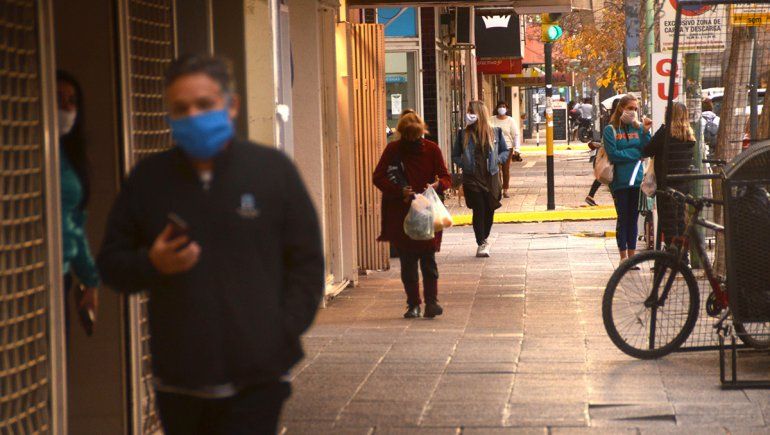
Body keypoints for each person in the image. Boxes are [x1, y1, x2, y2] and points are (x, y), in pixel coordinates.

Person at [97, 54, 324, 434]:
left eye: (204, 105)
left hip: (258, 379)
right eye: (181, 109)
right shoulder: (149, 181)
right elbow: (111, 264)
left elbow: (306, 263)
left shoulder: (271, 171)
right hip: (180, 381)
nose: (194, 116)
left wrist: (280, 332)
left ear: (230, 106)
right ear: (168, 115)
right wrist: (151, 264)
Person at [373, 112, 451, 319]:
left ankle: (430, 303)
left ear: (421, 132)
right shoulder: (393, 150)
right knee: (409, 261)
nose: (412, 140)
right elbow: (378, 176)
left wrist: (436, 185)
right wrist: (399, 191)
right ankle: (414, 304)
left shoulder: (432, 149)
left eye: (415, 135)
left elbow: (446, 177)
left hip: (426, 213)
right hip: (402, 213)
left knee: (427, 259)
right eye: (408, 136)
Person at [57, 71, 100, 336]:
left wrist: (89, 279)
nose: (67, 107)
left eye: (72, 100)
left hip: (59, 275)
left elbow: (74, 224)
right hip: (23, 272)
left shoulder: (68, 154)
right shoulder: (26, 152)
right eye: (58, 98)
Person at [452, 100, 509, 258]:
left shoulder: (495, 132)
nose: (469, 114)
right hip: (472, 178)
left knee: (489, 210)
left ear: (480, 114)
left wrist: (498, 159)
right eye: (468, 111)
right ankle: (481, 243)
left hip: (491, 177)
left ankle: (484, 237)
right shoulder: (463, 134)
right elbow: (455, 155)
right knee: (479, 209)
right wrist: (464, 163)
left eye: (472, 111)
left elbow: (505, 151)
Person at [603, 94, 652, 264]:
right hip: (620, 182)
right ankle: (623, 256)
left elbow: (646, 150)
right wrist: (635, 153)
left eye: (635, 109)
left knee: (634, 218)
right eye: (630, 108)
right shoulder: (611, 130)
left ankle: (632, 257)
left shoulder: (638, 128)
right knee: (623, 217)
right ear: (621, 108)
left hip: (637, 180)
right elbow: (614, 155)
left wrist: (645, 132)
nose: (633, 112)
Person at [643, 102, 695, 248]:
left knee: (668, 222)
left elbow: (647, 150)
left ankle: (671, 254)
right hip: (683, 185)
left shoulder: (665, 133)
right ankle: (683, 256)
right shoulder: (689, 136)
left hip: (666, 185)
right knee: (680, 220)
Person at [586, 99, 621, 207]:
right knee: (607, 176)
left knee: (604, 176)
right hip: (610, 156)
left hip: (607, 156)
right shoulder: (614, 124)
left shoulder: (611, 120)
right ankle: (616, 200)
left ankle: (591, 196)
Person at [490, 101, 521, 198]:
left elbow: (515, 135)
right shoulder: (492, 119)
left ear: (507, 109)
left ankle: (505, 189)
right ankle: (497, 188)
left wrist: (517, 149)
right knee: (496, 169)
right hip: (494, 147)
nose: (502, 108)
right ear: (497, 108)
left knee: (505, 169)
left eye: (504, 106)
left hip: (507, 148)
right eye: (500, 106)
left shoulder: (510, 120)